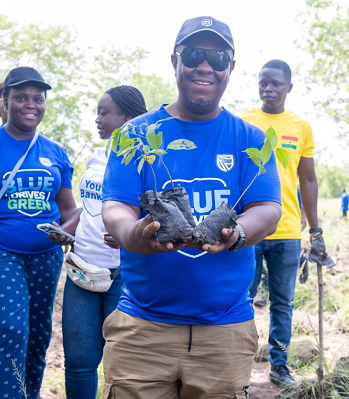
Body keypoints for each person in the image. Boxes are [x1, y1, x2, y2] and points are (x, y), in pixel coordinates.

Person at [101, 16, 282, 399]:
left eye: (217, 58)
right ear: (175, 61)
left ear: (230, 67)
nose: (205, 66)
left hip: (225, 332)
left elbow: (267, 208)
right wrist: (136, 234)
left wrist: (238, 234)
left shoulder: (249, 138)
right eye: (194, 54)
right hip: (142, 330)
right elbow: (116, 207)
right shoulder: (134, 136)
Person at [0, 66, 77, 399]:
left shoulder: (55, 152)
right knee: (9, 327)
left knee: (38, 335)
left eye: (38, 98)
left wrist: (65, 232)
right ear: (4, 101)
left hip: (45, 258)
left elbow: (69, 210)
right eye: (21, 97)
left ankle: (28, 394)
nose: (30, 104)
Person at [49, 85, 147, 399]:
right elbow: (88, 210)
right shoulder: (96, 159)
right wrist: (66, 230)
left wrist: (129, 233)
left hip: (124, 274)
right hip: (82, 270)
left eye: (104, 112)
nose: (97, 119)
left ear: (128, 118)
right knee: (79, 360)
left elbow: (155, 214)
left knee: (126, 363)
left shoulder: (148, 163)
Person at [242, 59, 320, 387]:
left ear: (289, 86)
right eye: (263, 82)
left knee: (283, 304)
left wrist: (316, 231)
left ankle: (279, 365)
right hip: (246, 228)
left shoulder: (300, 126)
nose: (268, 88)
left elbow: (309, 181)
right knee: (240, 299)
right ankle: (238, 367)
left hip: (287, 230)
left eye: (275, 83)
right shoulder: (242, 121)